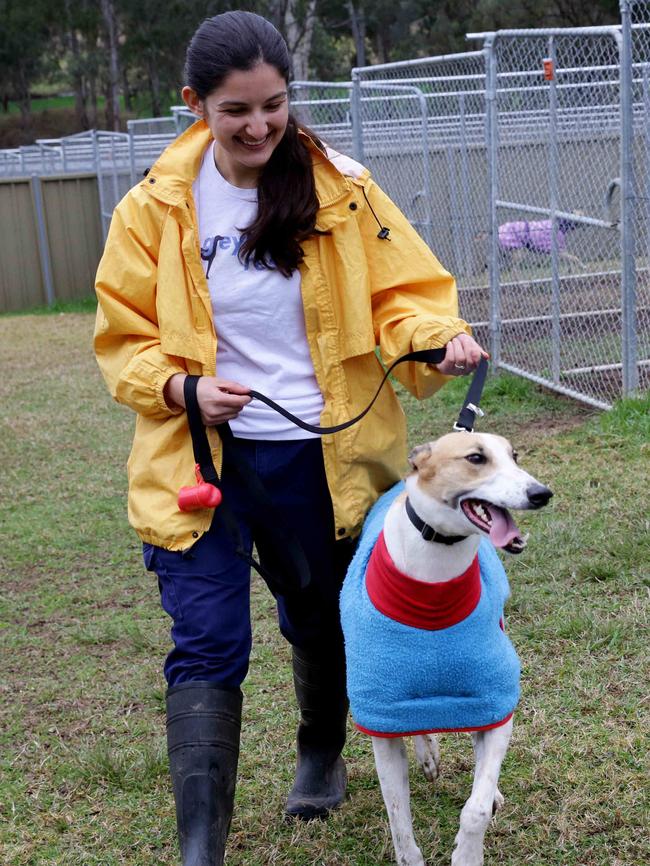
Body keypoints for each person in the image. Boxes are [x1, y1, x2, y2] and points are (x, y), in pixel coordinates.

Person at [93, 10, 486, 866]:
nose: (260, 126)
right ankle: (203, 844)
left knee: (319, 619)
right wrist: (179, 386)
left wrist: (434, 338)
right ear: (195, 103)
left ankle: (320, 747)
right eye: (237, 110)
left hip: (321, 458)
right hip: (199, 462)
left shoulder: (342, 189)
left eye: (274, 104)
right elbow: (122, 336)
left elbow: (403, 294)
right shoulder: (153, 210)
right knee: (206, 639)